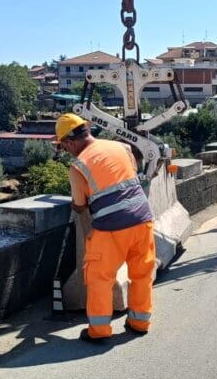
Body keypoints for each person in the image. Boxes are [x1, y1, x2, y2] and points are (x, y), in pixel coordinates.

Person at [55, 112, 156, 343]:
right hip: (142, 219)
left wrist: (79, 202)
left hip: (111, 229)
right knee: (141, 273)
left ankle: (99, 331)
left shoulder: (78, 166)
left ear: (70, 141)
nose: (65, 150)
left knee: (99, 278)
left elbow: (80, 205)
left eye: (63, 146)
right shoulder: (122, 147)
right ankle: (140, 322)